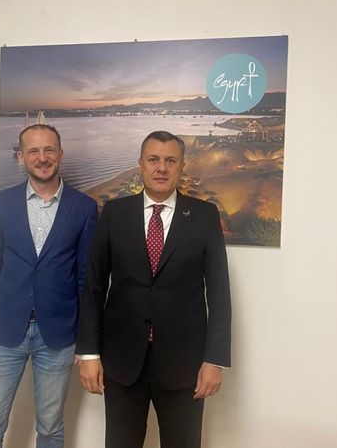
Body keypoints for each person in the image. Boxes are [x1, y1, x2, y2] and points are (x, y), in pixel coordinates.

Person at [76, 130, 231, 448]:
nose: (161, 168)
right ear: (140, 164)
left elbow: (219, 293)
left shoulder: (204, 216)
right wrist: (89, 353)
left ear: (182, 166)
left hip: (183, 364)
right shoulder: (114, 213)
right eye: (153, 160)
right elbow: (93, 287)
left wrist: (214, 360)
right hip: (121, 361)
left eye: (170, 161)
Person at [0, 124, 97, 448]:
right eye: (34, 151)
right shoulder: (2, 203)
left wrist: (86, 342)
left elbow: (86, 279)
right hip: (4, 331)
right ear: (21, 157)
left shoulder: (83, 207)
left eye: (49, 150)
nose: (42, 158)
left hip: (58, 336)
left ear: (60, 154)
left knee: (51, 428)